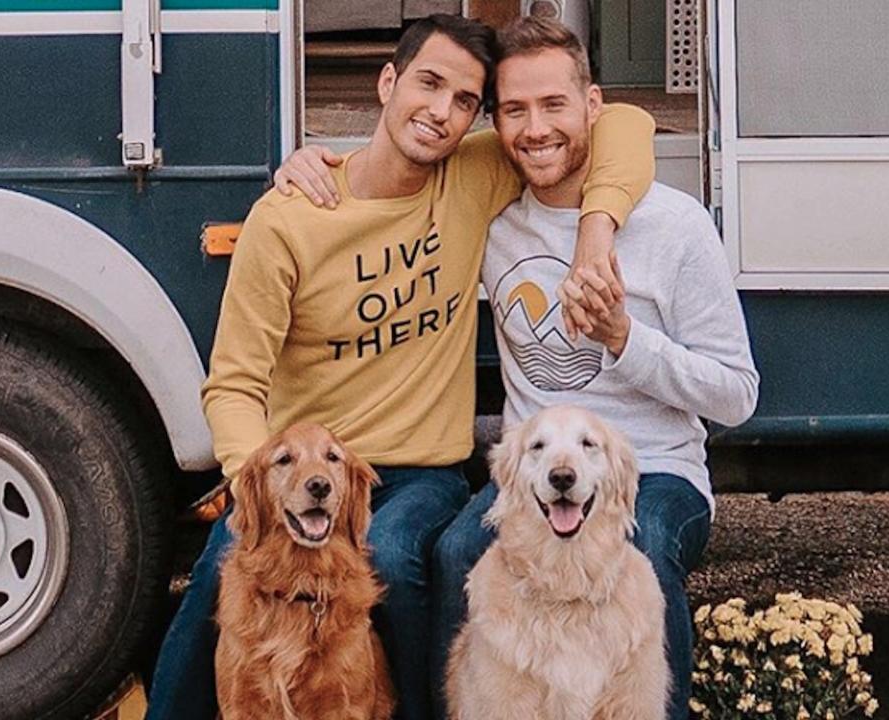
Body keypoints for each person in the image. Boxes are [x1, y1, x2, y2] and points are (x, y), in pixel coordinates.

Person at [145, 13, 656, 720]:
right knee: (219, 577)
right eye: (429, 84)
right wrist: (253, 482)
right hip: (309, 468)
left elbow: (626, 124)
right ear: (387, 82)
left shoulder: (471, 177)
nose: (442, 113)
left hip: (416, 472)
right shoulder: (291, 216)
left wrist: (596, 231)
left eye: (465, 102)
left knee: (391, 553)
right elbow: (234, 382)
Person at [431, 17, 760, 720]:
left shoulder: (675, 225)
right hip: (535, 475)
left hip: (659, 469)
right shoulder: (495, 221)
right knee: (457, 552)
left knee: (640, 560)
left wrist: (624, 338)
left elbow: (737, 395)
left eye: (554, 105)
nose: (535, 128)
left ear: (594, 106)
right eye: (514, 110)